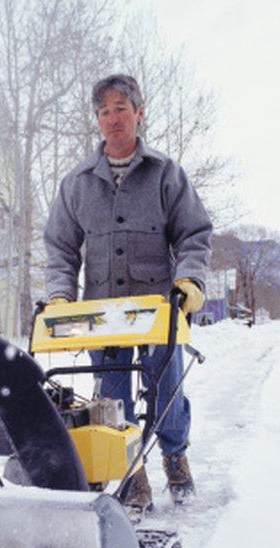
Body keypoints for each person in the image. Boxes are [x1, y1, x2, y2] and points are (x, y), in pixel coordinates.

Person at [43, 73, 212, 508]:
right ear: (97, 120)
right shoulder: (76, 183)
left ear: (139, 113)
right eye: (104, 111)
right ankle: (133, 475)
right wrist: (61, 296)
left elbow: (193, 234)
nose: (112, 118)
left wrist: (189, 281)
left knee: (167, 396)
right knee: (110, 404)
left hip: (159, 310)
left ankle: (175, 457)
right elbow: (61, 248)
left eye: (121, 109)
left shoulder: (166, 174)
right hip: (102, 316)